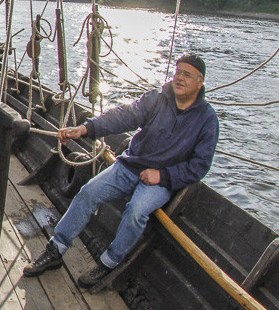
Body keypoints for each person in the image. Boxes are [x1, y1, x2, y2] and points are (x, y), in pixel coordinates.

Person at [23, 54, 219, 288]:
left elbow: (200, 165)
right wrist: (86, 128)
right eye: (178, 72)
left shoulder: (207, 120)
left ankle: (108, 263)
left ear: (201, 82)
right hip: (130, 165)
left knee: (136, 212)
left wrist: (163, 176)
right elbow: (125, 116)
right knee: (88, 193)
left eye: (187, 75)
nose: (179, 78)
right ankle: (56, 249)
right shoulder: (157, 99)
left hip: (160, 180)